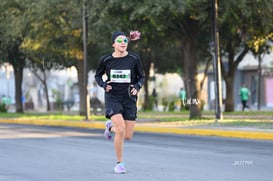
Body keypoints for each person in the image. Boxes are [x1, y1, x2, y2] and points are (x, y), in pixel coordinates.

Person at [95, 30, 144, 174]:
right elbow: (98, 76)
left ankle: (110, 128)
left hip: (129, 98)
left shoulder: (134, 59)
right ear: (113, 44)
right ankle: (119, 163)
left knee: (127, 135)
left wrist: (137, 86)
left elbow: (141, 77)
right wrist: (104, 85)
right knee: (121, 129)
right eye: (120, 41)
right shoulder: (106, 60)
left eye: (125, 41)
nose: (123, 43)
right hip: (113, 97)